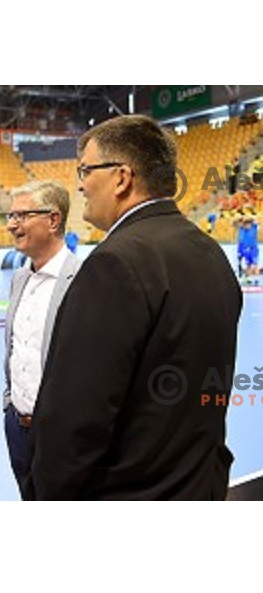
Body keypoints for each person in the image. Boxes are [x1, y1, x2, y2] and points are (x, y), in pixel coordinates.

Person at [24, 115, 242, 501]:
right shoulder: (210, 253)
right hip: (196, 487)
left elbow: (76, 419)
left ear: (122, 178)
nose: (79, 184)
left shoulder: (115, 263)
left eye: (86, 170)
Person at [3, 180, 81, 495]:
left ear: (53, 220)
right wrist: (9, 406)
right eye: (10, 216)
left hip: (61, 434)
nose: (12, 225)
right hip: (18, 428)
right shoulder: (20, 279)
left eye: (22, 216)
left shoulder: (85, 280)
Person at [236, 216, 260, 284]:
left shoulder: (254, 227)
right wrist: (242, 219)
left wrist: (250, 219)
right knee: (248, 265)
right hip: (246, 250)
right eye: (245, 225)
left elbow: (256, 220)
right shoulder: (243, 229)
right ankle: (247, 279)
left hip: (253, 249)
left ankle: (256, 279)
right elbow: (237, 221)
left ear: (250, 224)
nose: (246, 226)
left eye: (248, 224)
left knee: (255, 264)